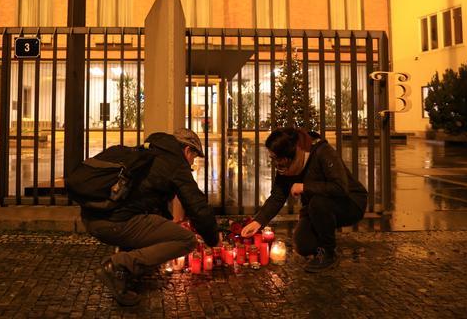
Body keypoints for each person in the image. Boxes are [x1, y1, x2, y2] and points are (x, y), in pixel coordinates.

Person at [82, 128, 219, 306]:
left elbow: (150, 203)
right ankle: (118, 266)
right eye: (194, 157)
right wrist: (213, 239)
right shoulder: (175, 164)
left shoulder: (148, 152)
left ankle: (125, 271)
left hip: (94, 217)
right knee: (186, 240)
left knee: (154, 223)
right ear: (187, 150)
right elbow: (198, 206)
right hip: (114, 223)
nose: (192, 162)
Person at [241, 127, 367, 273]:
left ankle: (328, 253)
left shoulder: (322, 152)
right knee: (303, 245)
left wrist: (305, 187)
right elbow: (278, 196)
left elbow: (340, 187)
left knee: (318, 203)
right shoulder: (287, 166)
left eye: (276, 158)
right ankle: (323, 233)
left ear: (289, 154)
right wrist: (259, 221)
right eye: (272, 158)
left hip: (350, 203)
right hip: (317, 207)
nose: (275, 162)